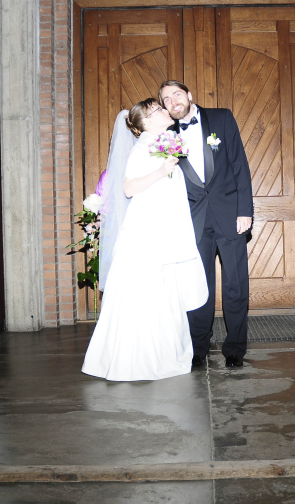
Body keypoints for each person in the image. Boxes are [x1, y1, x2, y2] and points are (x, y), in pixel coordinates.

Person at [81, 99, 208, 381]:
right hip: (147, 231)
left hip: (162, 228)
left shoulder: (161, 143)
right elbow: (128, 188)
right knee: (146, 291)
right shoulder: (142, 148)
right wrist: (161, 171)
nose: (165, 110)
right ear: (147, 121)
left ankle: (160, 354)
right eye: (158, 109)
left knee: (162, 291)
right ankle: (137, 359)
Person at [159, 80, 254, 369]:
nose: (173, 101)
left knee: (236, 284)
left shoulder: (222, 117)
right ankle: (198, 347)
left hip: (230, 216)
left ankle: (235, 348)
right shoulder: (166, 135)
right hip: (193, 220)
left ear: (189, 95)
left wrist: (245, 210)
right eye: (166, 99)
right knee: (198, 287)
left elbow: (239, 164)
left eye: (177, 94)